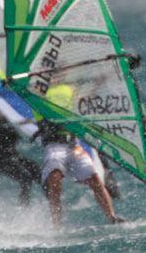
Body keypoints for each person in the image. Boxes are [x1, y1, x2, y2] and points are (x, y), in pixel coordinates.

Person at [36, 85, 121, 226]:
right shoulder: (39, 94)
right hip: (54, 147)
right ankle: (57, 225)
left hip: (74, 146)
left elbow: (85, 98)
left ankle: (112, 218)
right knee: (55, 179)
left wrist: (100, 80)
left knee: (94, 178)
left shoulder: (70, 89)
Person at [0, 90, 41, 206]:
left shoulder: (1, 104)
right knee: (25, 177)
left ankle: (53, 204)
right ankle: (23, 209)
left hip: (12, 154)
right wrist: (7, 105)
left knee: (37, 171)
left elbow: (18, 118)